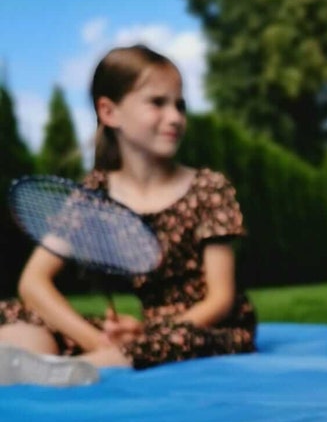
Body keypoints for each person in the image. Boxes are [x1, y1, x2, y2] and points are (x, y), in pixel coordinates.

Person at [0, 44, 256, 386]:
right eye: (157, 103)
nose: (176, 117)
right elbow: (33, 282)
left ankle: (71, 370)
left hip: (205, 329)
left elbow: (220, 299)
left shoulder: (208, 187)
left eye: (179, 105)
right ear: (109, 112)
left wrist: (147, 333)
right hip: (139, 333)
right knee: (14, 313)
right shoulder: (94, 196)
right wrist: (99, 339)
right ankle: (29, 360)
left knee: (170, 342)